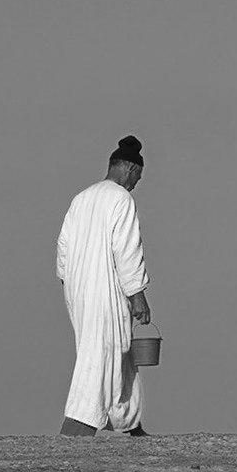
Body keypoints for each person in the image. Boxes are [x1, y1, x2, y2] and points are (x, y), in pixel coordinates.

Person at [56, 135, 152, 436]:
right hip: (104, 293)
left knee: (118, 354)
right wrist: (137, 296)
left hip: (79, 290)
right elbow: (127, 249)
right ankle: (75, 429)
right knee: (100, 357)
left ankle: (130, 425)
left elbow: (63, 248)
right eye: (137, 177)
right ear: (130, 169)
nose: (136, 184)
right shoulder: (121, 199)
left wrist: (71, 282)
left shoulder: (81, 198)